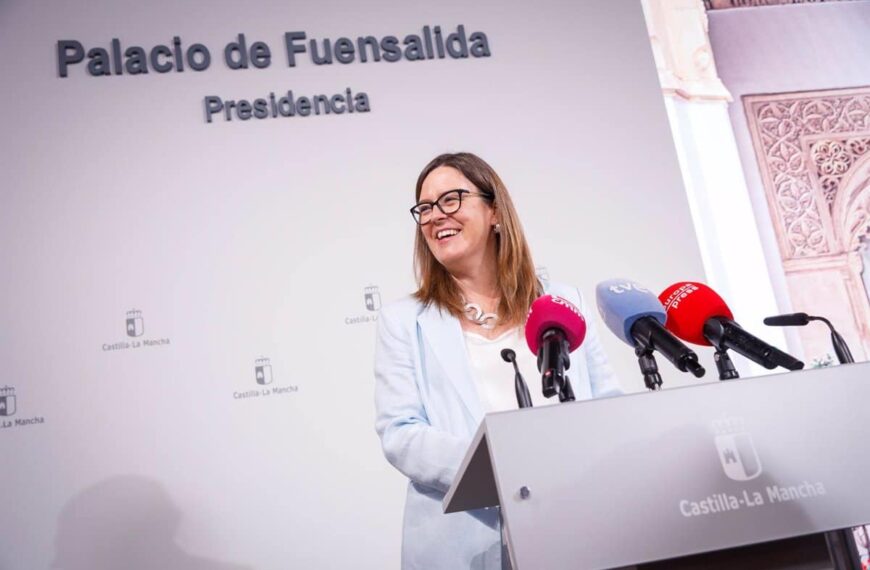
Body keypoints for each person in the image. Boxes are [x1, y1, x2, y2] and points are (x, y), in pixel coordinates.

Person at [374, 152, 621, 569]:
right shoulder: (402, 321)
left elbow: (606, 401)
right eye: (425, 207)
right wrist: (503, 464)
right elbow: (400, 433)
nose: (436, 215)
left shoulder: (561, 302)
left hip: (574, 523)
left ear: (494, 211)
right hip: (467, 544)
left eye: (451, 199)